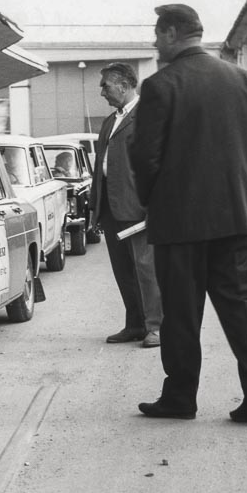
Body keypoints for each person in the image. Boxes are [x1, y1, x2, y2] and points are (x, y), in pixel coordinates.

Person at [129, 3, 247, 423]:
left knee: (180, 313)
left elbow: (145, 157)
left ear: (172, 33)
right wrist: (232, 185)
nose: (155, 43)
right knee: (243, 307)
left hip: (179, 223)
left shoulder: (160, 85)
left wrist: (153, 201)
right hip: (235, 218)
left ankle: (180, 397)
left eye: (158, 35)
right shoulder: (242, 79)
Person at [90, 62, 162, 349]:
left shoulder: (149, 116)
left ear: (123, 85)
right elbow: (100, 166)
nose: (102, 92)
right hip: (111, 209)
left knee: (146, 270)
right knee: (124, 271)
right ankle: (135, 324)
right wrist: (96, 207)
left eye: (105, 86)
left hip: (138, 209)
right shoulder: (110, 121)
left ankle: (156, 327)